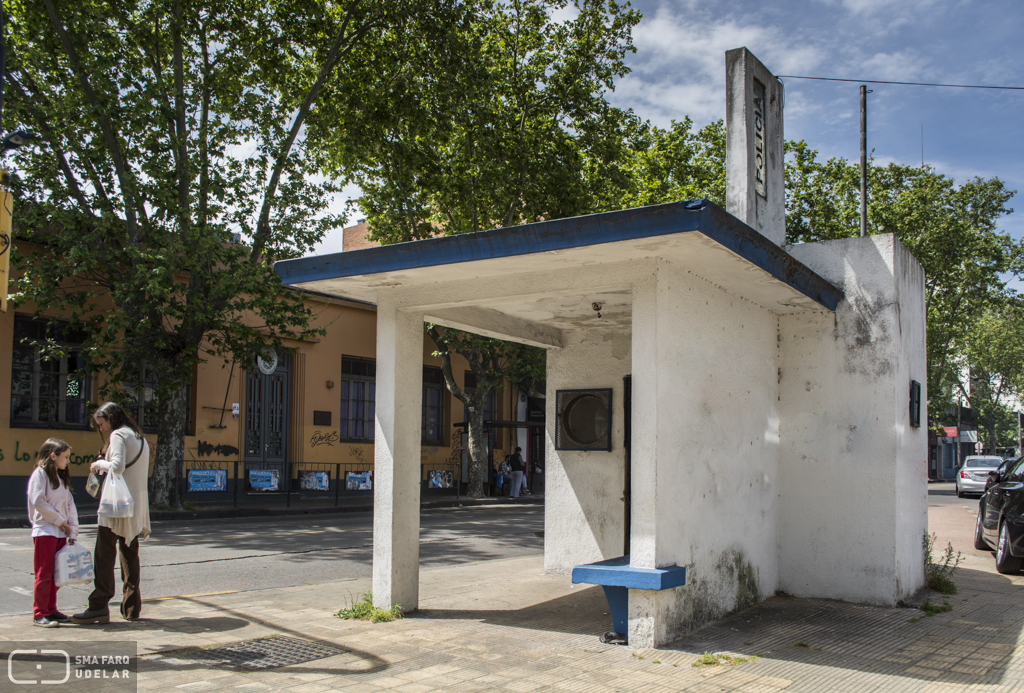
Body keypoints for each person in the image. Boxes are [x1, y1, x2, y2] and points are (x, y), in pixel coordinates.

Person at [73, 402, 151, 625]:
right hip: (135, 506)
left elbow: (117, 466)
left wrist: (100, 463)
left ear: (111, 418)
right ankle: (132, 608)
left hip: (116, 506)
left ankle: (98, 606)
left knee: (104, 556)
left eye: (102, 423)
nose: (101, 428)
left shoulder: (118, 435)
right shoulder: (139, 436)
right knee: (130, 556)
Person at [26, 438, 79, 628]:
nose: (68, 461)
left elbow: (69, 505)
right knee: (44, 573)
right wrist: (60, 521)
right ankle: (39, 613)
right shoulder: (39, 475)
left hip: (60, 533)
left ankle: (50, 609)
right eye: (65, 457)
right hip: (45, 531)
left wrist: (72, 530)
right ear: (52, 456)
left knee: (56, 574)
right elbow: (38, 501)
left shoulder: (60, 477)